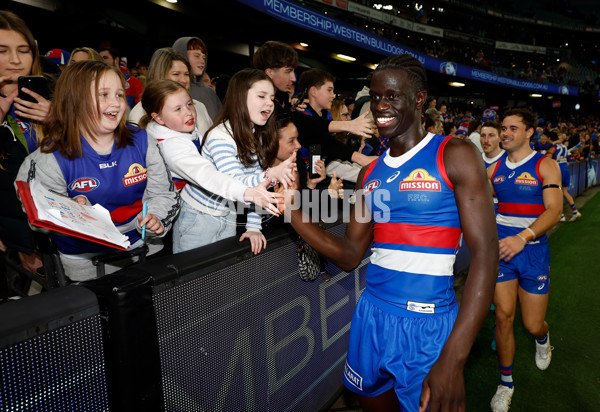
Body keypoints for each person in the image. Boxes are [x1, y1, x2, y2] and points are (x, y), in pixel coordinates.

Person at [278, 54, 498, 411]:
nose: (381, 106)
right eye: (376, 96)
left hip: (427, 325)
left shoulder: (454, 153)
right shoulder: (370, 175)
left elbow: (487, 256)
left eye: (392, 96)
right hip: (371, 316)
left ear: (419, 99)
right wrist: (294, 213)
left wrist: (455, 358)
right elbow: (351, 255)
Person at [16, 60, 179, 282]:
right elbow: (39, 218)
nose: (115, 103)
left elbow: (164, 194)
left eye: (120, 95)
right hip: (87, 263)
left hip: (145, 249)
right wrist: (71, 211)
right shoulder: (49, 157)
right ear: (75, 101)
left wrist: (156, 219)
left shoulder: (142, 140)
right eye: (103, 94)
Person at [172, 68, 295, 255]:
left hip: (228, 214)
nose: (269, 103)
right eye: (261, 96)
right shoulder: (220, 136)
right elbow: (236, 183)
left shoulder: (258, 137)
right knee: (192, 281)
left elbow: (257, 190)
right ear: (239, 97)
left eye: (271, 98)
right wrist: (271, 174)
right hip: (198, 217)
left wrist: (254, 227)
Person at [488, 108, 562, 412]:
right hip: (503, 252)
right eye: (503, 128)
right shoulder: (492, 170)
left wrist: (523, 237)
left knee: (532, 325)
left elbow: (554, 211)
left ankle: (543, 339)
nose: (505, 133)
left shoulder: (546, 165)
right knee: (503, 318)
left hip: (531, 251)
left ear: (530, 132)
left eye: (513, 128)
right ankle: (505, 383)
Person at [139, 79, 283, 210]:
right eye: (178, 109)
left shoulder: (182, 131)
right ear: (158, 118)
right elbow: (206, 174)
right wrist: (246, 192)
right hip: (186, 210)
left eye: (189, 104)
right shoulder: (171, 147)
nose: (188, 112)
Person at [0, 10, 52, 275]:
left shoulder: (54, 95)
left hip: (59, 229)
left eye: (23, 50)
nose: (15, 60)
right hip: (14, 238)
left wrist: (59, 119)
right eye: (2, 51)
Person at [128, 47, 212, 137]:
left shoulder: (199, 107)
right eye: (176, 74)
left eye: (186, 74)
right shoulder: (140, 111)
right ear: (160, 75)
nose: (183, 80)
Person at [172, 36, 222, 120]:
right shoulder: (171, 91)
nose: (202, 61)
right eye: (197, 56)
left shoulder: (210, 92)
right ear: (181, 55)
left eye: (204, 57)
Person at [546, 133, 582, 222]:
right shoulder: (563, 146)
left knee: (557, 193)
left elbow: (547, 159)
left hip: (558, 170)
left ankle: (561, 216)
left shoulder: (553, 147)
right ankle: (575, 212)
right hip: (565, 168)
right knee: (564, 192)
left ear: (549, 138)